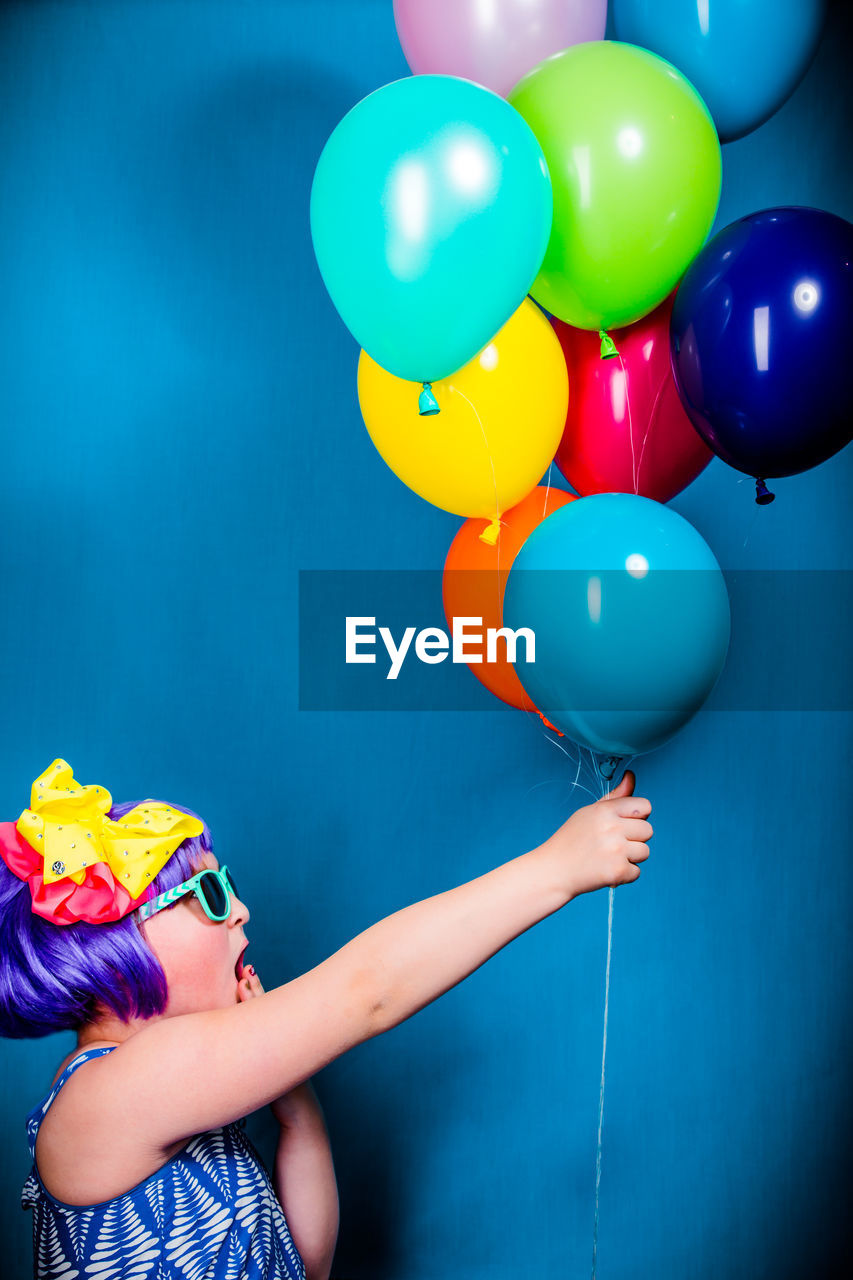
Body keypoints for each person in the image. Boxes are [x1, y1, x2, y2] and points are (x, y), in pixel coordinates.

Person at [0, 756, 653, 1280]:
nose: (242, 910)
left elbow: (304, 1264)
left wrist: (295, 1106)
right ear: (118, 945)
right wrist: (555, 868)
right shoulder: (107, 1097)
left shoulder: (179, 1109)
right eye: (210, 891)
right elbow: (365, 991)